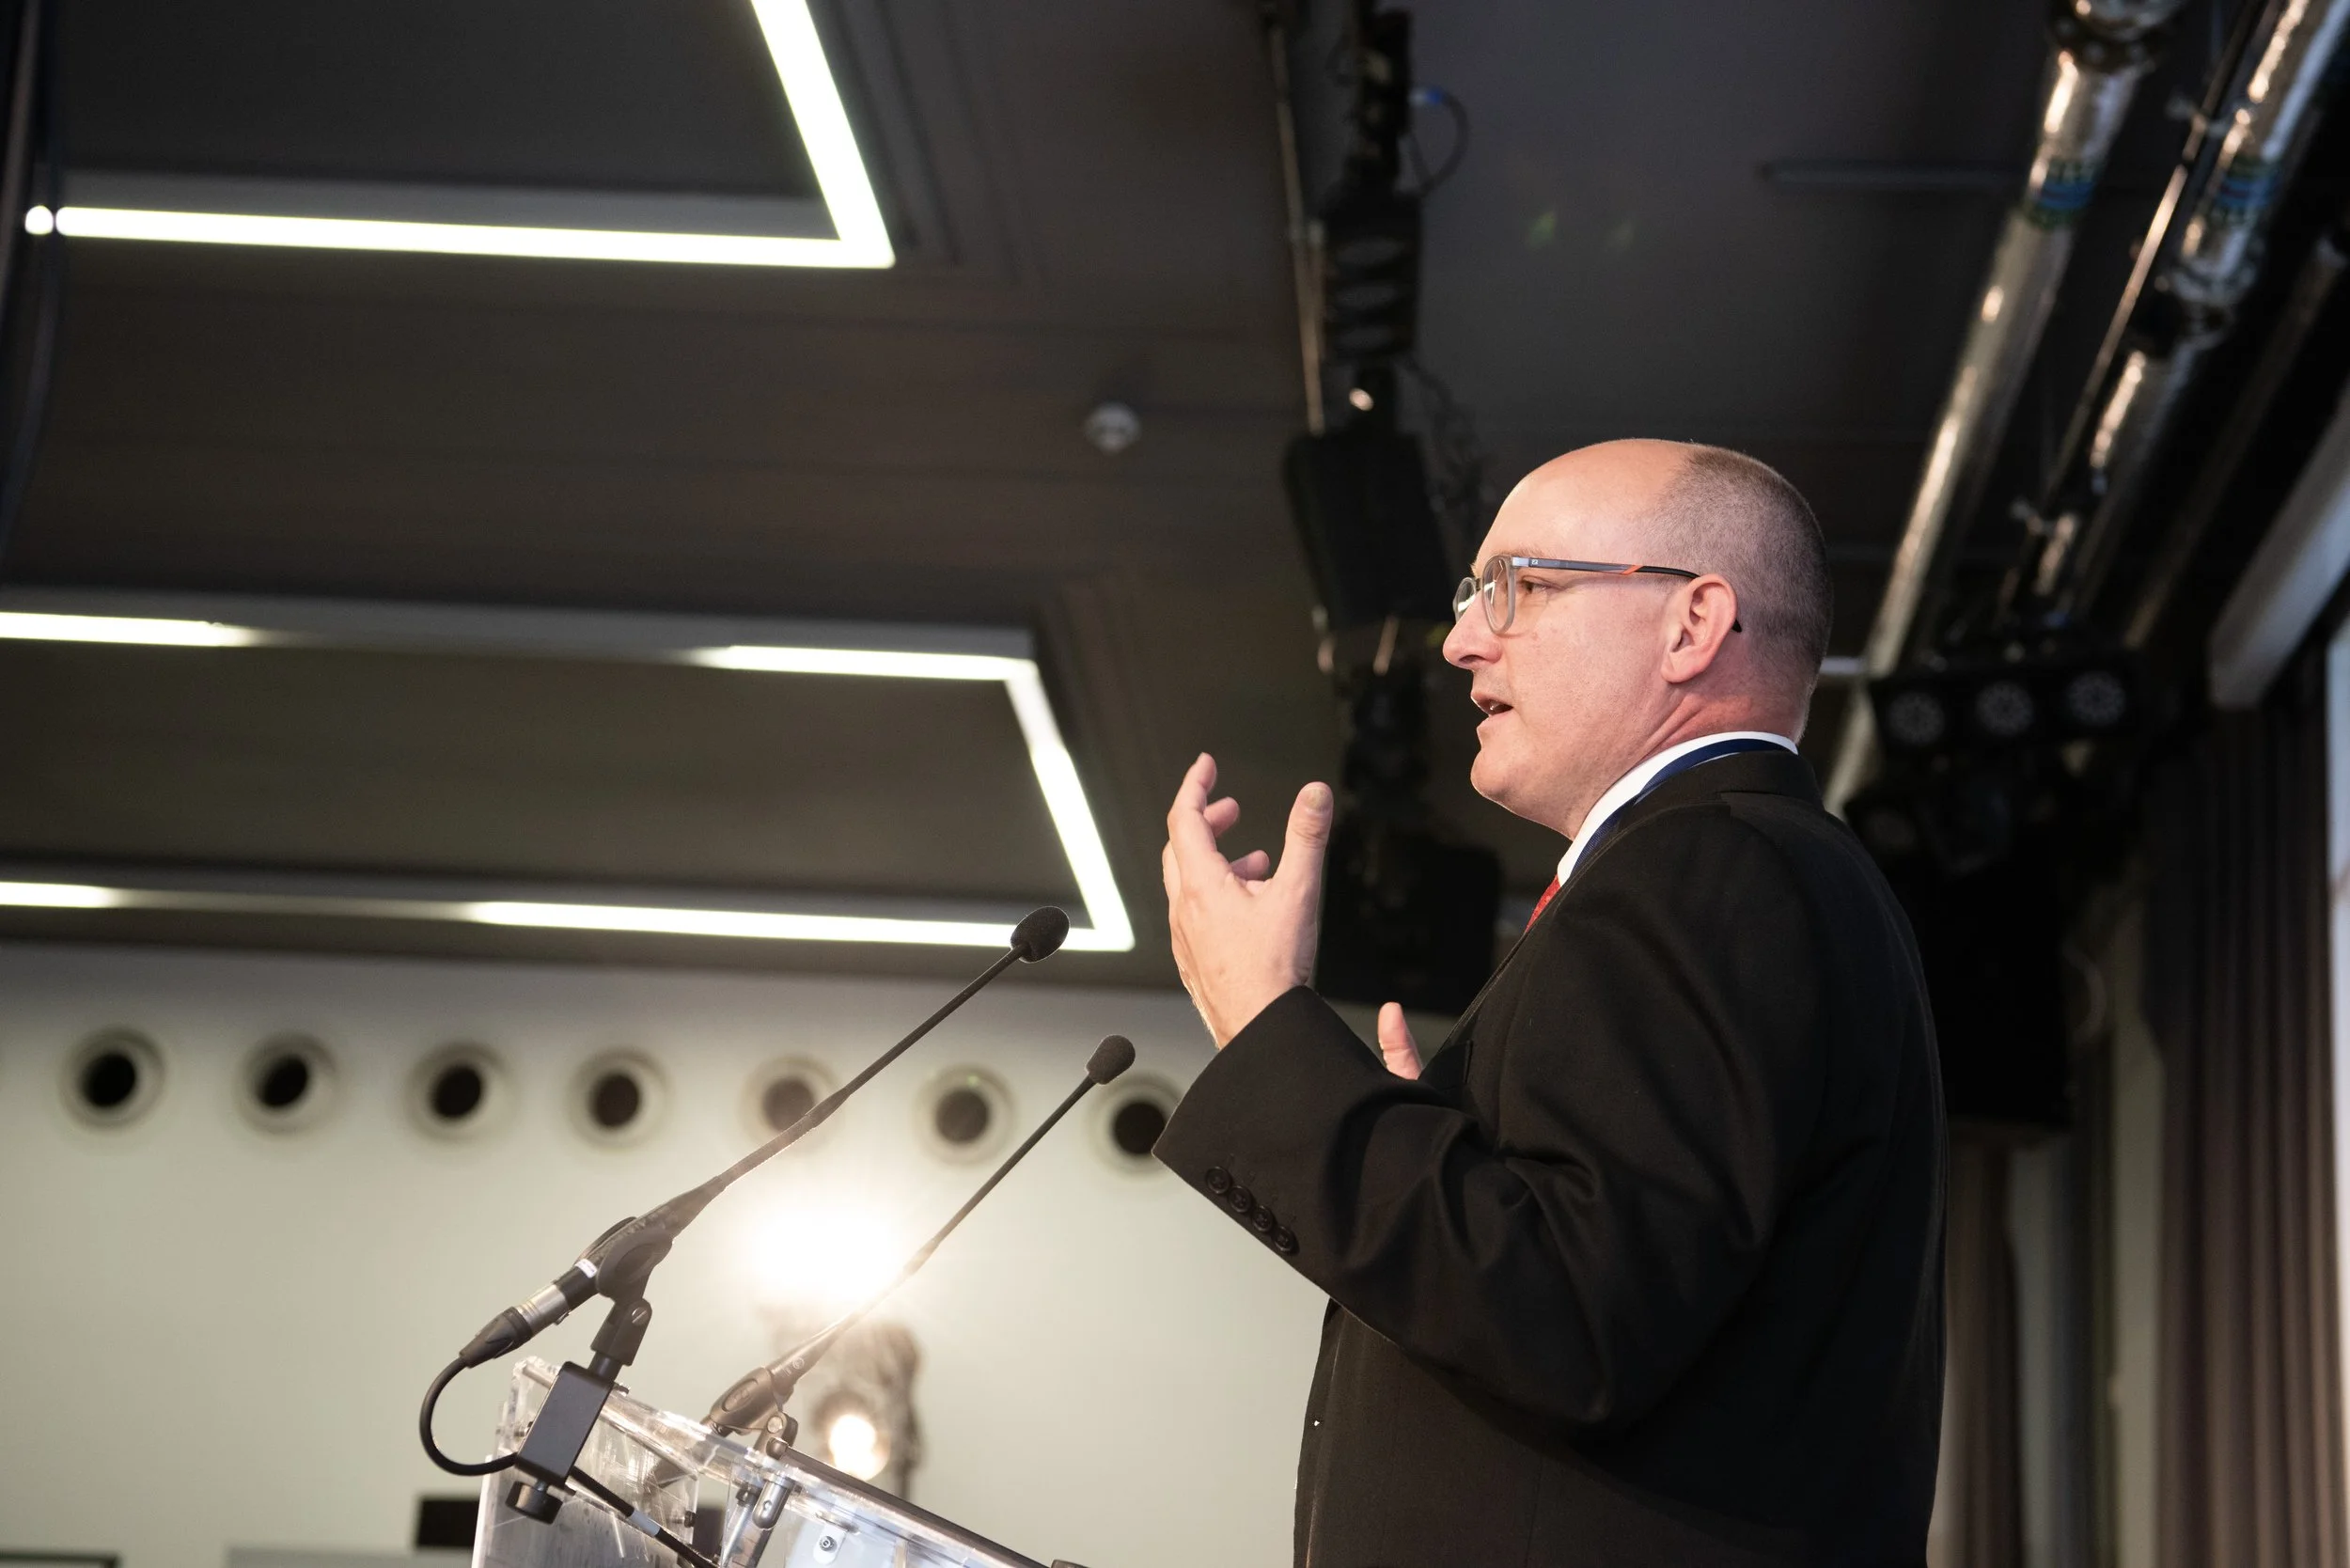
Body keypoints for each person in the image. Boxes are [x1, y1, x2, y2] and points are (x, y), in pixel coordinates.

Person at [1154, 440, 1944, 1566]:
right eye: (1472, 595)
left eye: (1517, 587)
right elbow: (1585, 1275)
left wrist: (1266, 1026)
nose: (1462, 637)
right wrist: (1415, 1147)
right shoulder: (1739, 871)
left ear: (1692, 623)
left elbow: (1571, 1319)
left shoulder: (1708, 868)